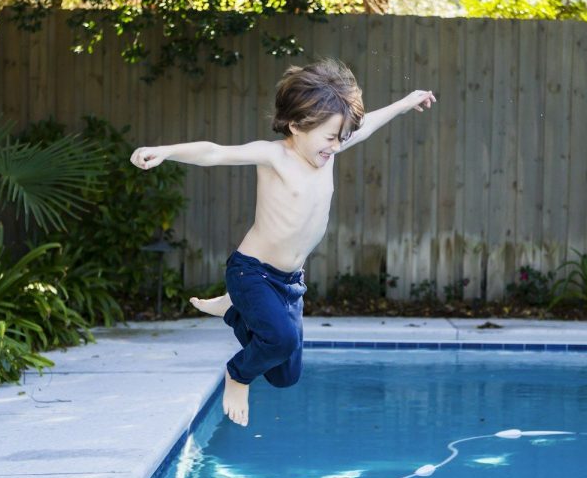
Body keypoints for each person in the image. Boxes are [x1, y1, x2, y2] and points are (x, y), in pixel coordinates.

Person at [129, 58, 436, 426]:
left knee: (284, 375)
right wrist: (166, 151)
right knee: (279, 341)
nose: (336, 146)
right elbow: (215, 152)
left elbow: (365, 127)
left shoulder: (327, 152)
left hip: (290, 282)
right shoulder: (275, 155)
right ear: (296, 126)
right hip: (252, 272)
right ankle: (236, 375)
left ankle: (232, 311)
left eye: (341, 137)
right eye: (329, 137)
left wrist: (405, 103)